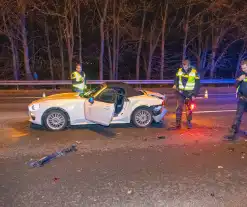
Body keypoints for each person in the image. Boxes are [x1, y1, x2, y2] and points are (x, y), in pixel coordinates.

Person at [171, 59, 200, 129]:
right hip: (181, 93)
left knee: (189, 108)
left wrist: (194, 94)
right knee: (179, 108)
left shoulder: (194, 72)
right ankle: (178, 124)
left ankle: (189, 122)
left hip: (190, 93)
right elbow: (176, 80)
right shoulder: (180, 71)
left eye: (186, 65)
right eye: (184, 65)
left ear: (189, 65)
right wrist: (176, 86)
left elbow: (197, 84)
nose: (185, 67)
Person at [225, 60, 247, 140]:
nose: (243, 70)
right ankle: (233, 133)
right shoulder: (241, 74)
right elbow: (235, 85)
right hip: (242, 99)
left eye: (245, 68)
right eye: (242, 68)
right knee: (238, 116)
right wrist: (239, 80)